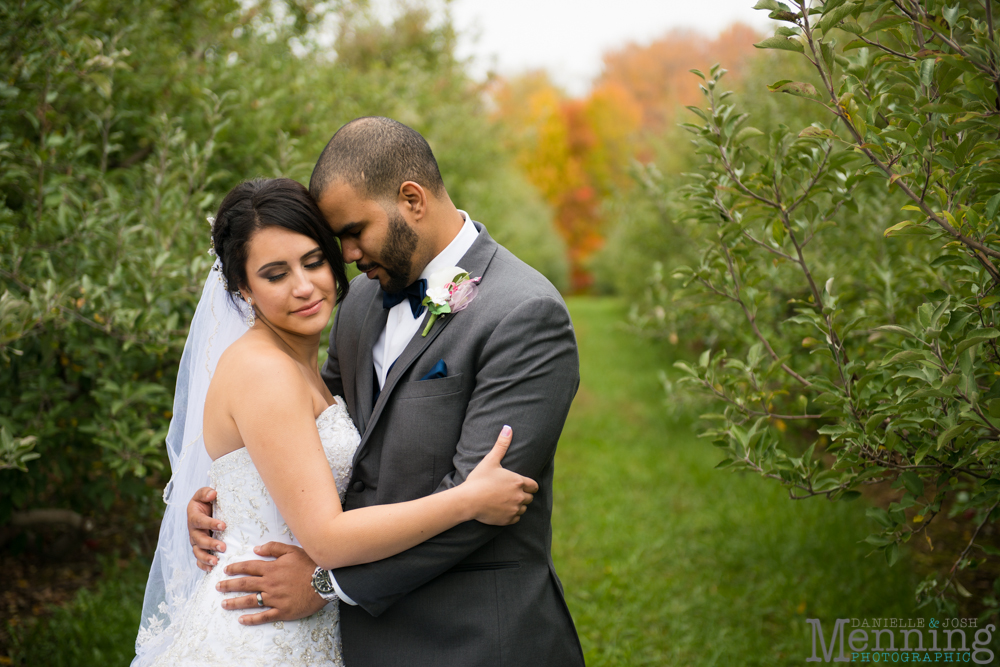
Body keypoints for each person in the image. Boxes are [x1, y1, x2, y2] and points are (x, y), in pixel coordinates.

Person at [188, 117, 587, 666]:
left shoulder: (524, 313)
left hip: (471, 638)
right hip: (357, 642)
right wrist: (225, 501)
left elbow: (482, 501)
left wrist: (328, 584)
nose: (346, 256)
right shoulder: (358, 306)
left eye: (354, 231)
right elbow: (307, 429)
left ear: (411, 199)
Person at [132, 178, 537, 667]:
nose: (304, 287)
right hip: (261, 635)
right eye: (275, 274)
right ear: (243, 287)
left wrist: (225, 499)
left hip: (308, 622)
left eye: (314, 261)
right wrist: (468, 499)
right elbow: (325, 537)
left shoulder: (315, 347)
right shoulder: (264, 372)